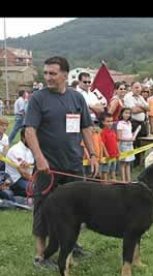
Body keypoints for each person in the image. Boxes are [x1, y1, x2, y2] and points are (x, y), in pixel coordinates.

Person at [25, 56, 99, 269]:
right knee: (43, 209)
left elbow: (86, 127)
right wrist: (39, 159)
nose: (47, 77)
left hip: (73, 165)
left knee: (76, 209)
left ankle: (71, 245)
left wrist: (92, 155)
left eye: (52, 73)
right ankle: (41, 256)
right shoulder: (38, 98)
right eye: (46, 73)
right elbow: (29, 130)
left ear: (65, 75)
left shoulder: (77, 98)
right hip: (47, 168)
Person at [4, 128, 33, 202]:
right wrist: (37, 182)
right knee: (39, 189)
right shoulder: (16, 150)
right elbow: (23, 173)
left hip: (28, 178)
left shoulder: (30, 148)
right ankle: (14, 194)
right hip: (16, 180)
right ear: (23, 138)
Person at [124, 81, 149, 167]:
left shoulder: (140, 97)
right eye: (136, 87)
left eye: (139, 87)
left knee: (142, 143)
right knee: (134, 143)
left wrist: (140, 106)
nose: (138, 89)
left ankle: (139, 162)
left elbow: (149, 108)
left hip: (142, 123)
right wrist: (143, 108)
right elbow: (133, 110)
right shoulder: (128, 97)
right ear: (131, 88)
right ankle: (133, 163)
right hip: (133, 123)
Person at [117, 108, 135, 182]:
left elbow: (129, 134)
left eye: (129, 113)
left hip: (130, 145)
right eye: (125, 113)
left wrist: (132, 136)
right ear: (122, 114)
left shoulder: (129, 123)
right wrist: (129, 139)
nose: (127, 115)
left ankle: (128, 180)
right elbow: (119, 137)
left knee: (128, 163)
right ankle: (123, 181)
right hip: (123, 145)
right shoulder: (120, 124)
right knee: (123, 164)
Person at [100, 112, 120, 181]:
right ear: (103, 122)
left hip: (114, 155)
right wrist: (106, 153)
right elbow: (102, 144)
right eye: (108, 121)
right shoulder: (103, 132)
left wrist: (118, 151)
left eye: (111, 121)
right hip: (107, 156)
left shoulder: (113, 131)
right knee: (105, 171)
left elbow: (116, 142)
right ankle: (104, 185)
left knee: (113, 170)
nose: (110, 123)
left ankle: (114, 182)